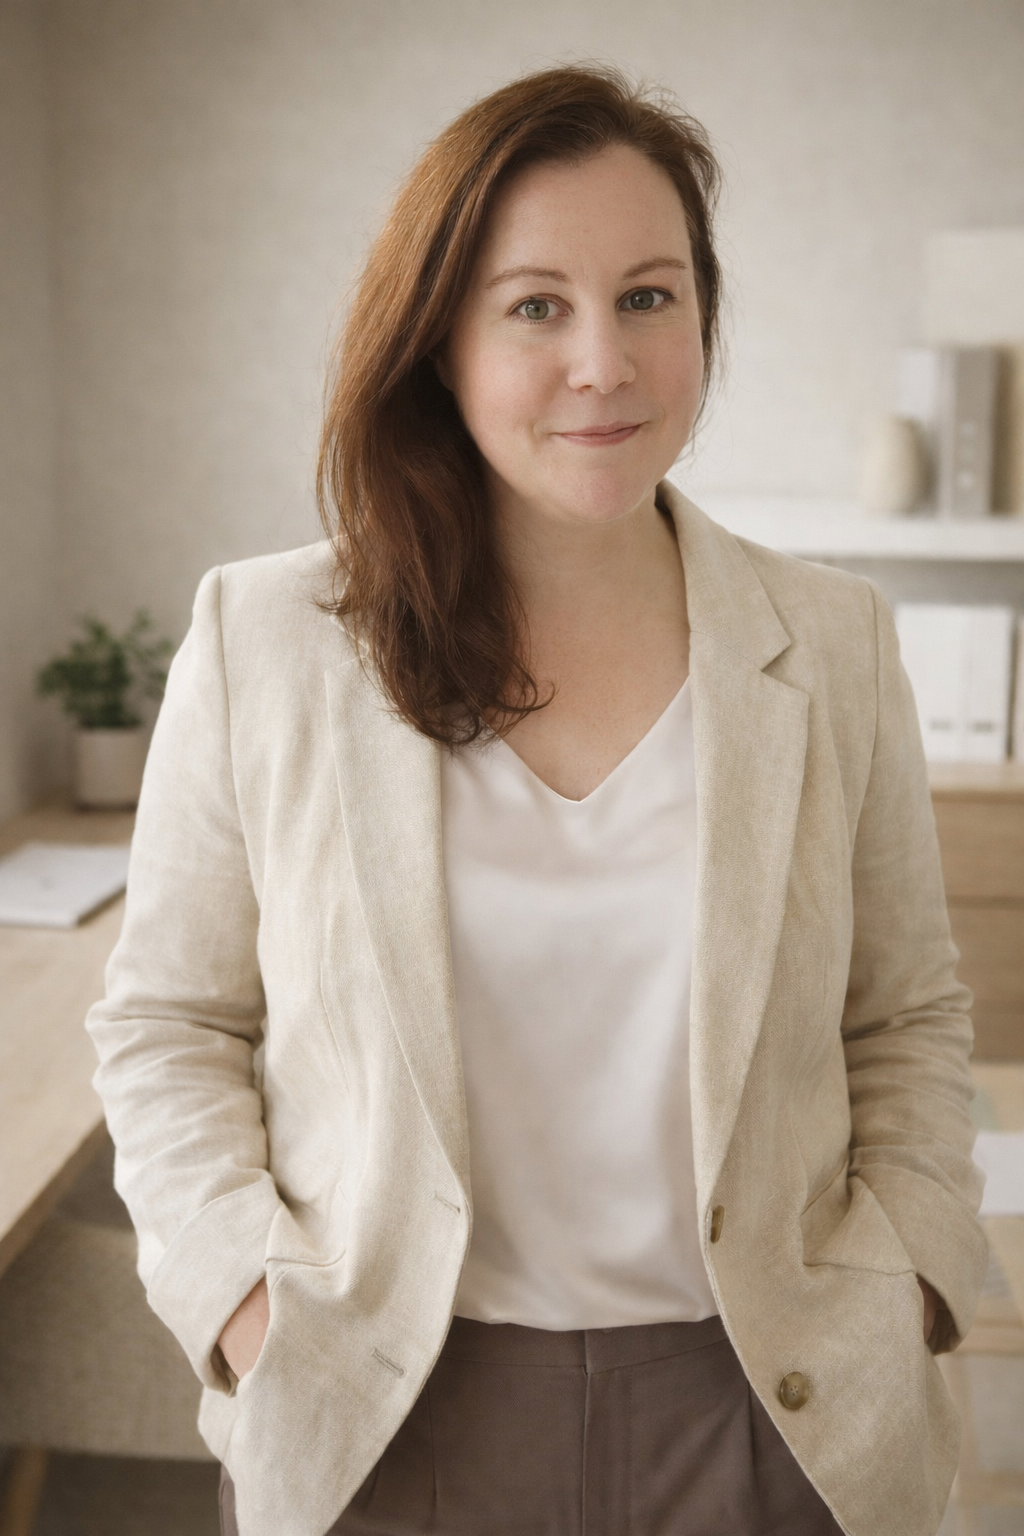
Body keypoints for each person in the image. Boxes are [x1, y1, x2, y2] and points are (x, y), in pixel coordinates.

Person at [85, 64, 987, 1536]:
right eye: (534, 306)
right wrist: (249, 1302)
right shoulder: (268, 641)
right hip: (390, 1409)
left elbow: (903, 1018)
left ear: (703, 315)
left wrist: (912, 1280)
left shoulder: (829, 643)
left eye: (649, 296)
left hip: (770, 1410)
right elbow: (169, 1024)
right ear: (439, 338)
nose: (603, 363)